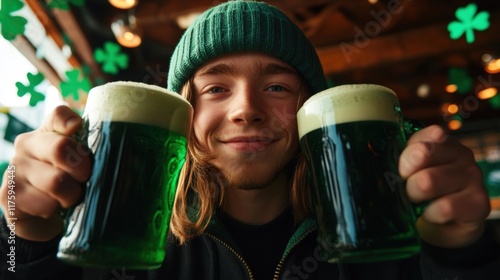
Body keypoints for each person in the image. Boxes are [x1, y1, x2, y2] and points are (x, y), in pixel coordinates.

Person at [1, 1, 500, 279]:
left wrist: (463, 254)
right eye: (216, 87)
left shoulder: (383, 238)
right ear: (183, 117)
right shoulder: (124, 239)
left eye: (277, 86)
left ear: (312, 113)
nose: (245, 109)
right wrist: (22, 235)